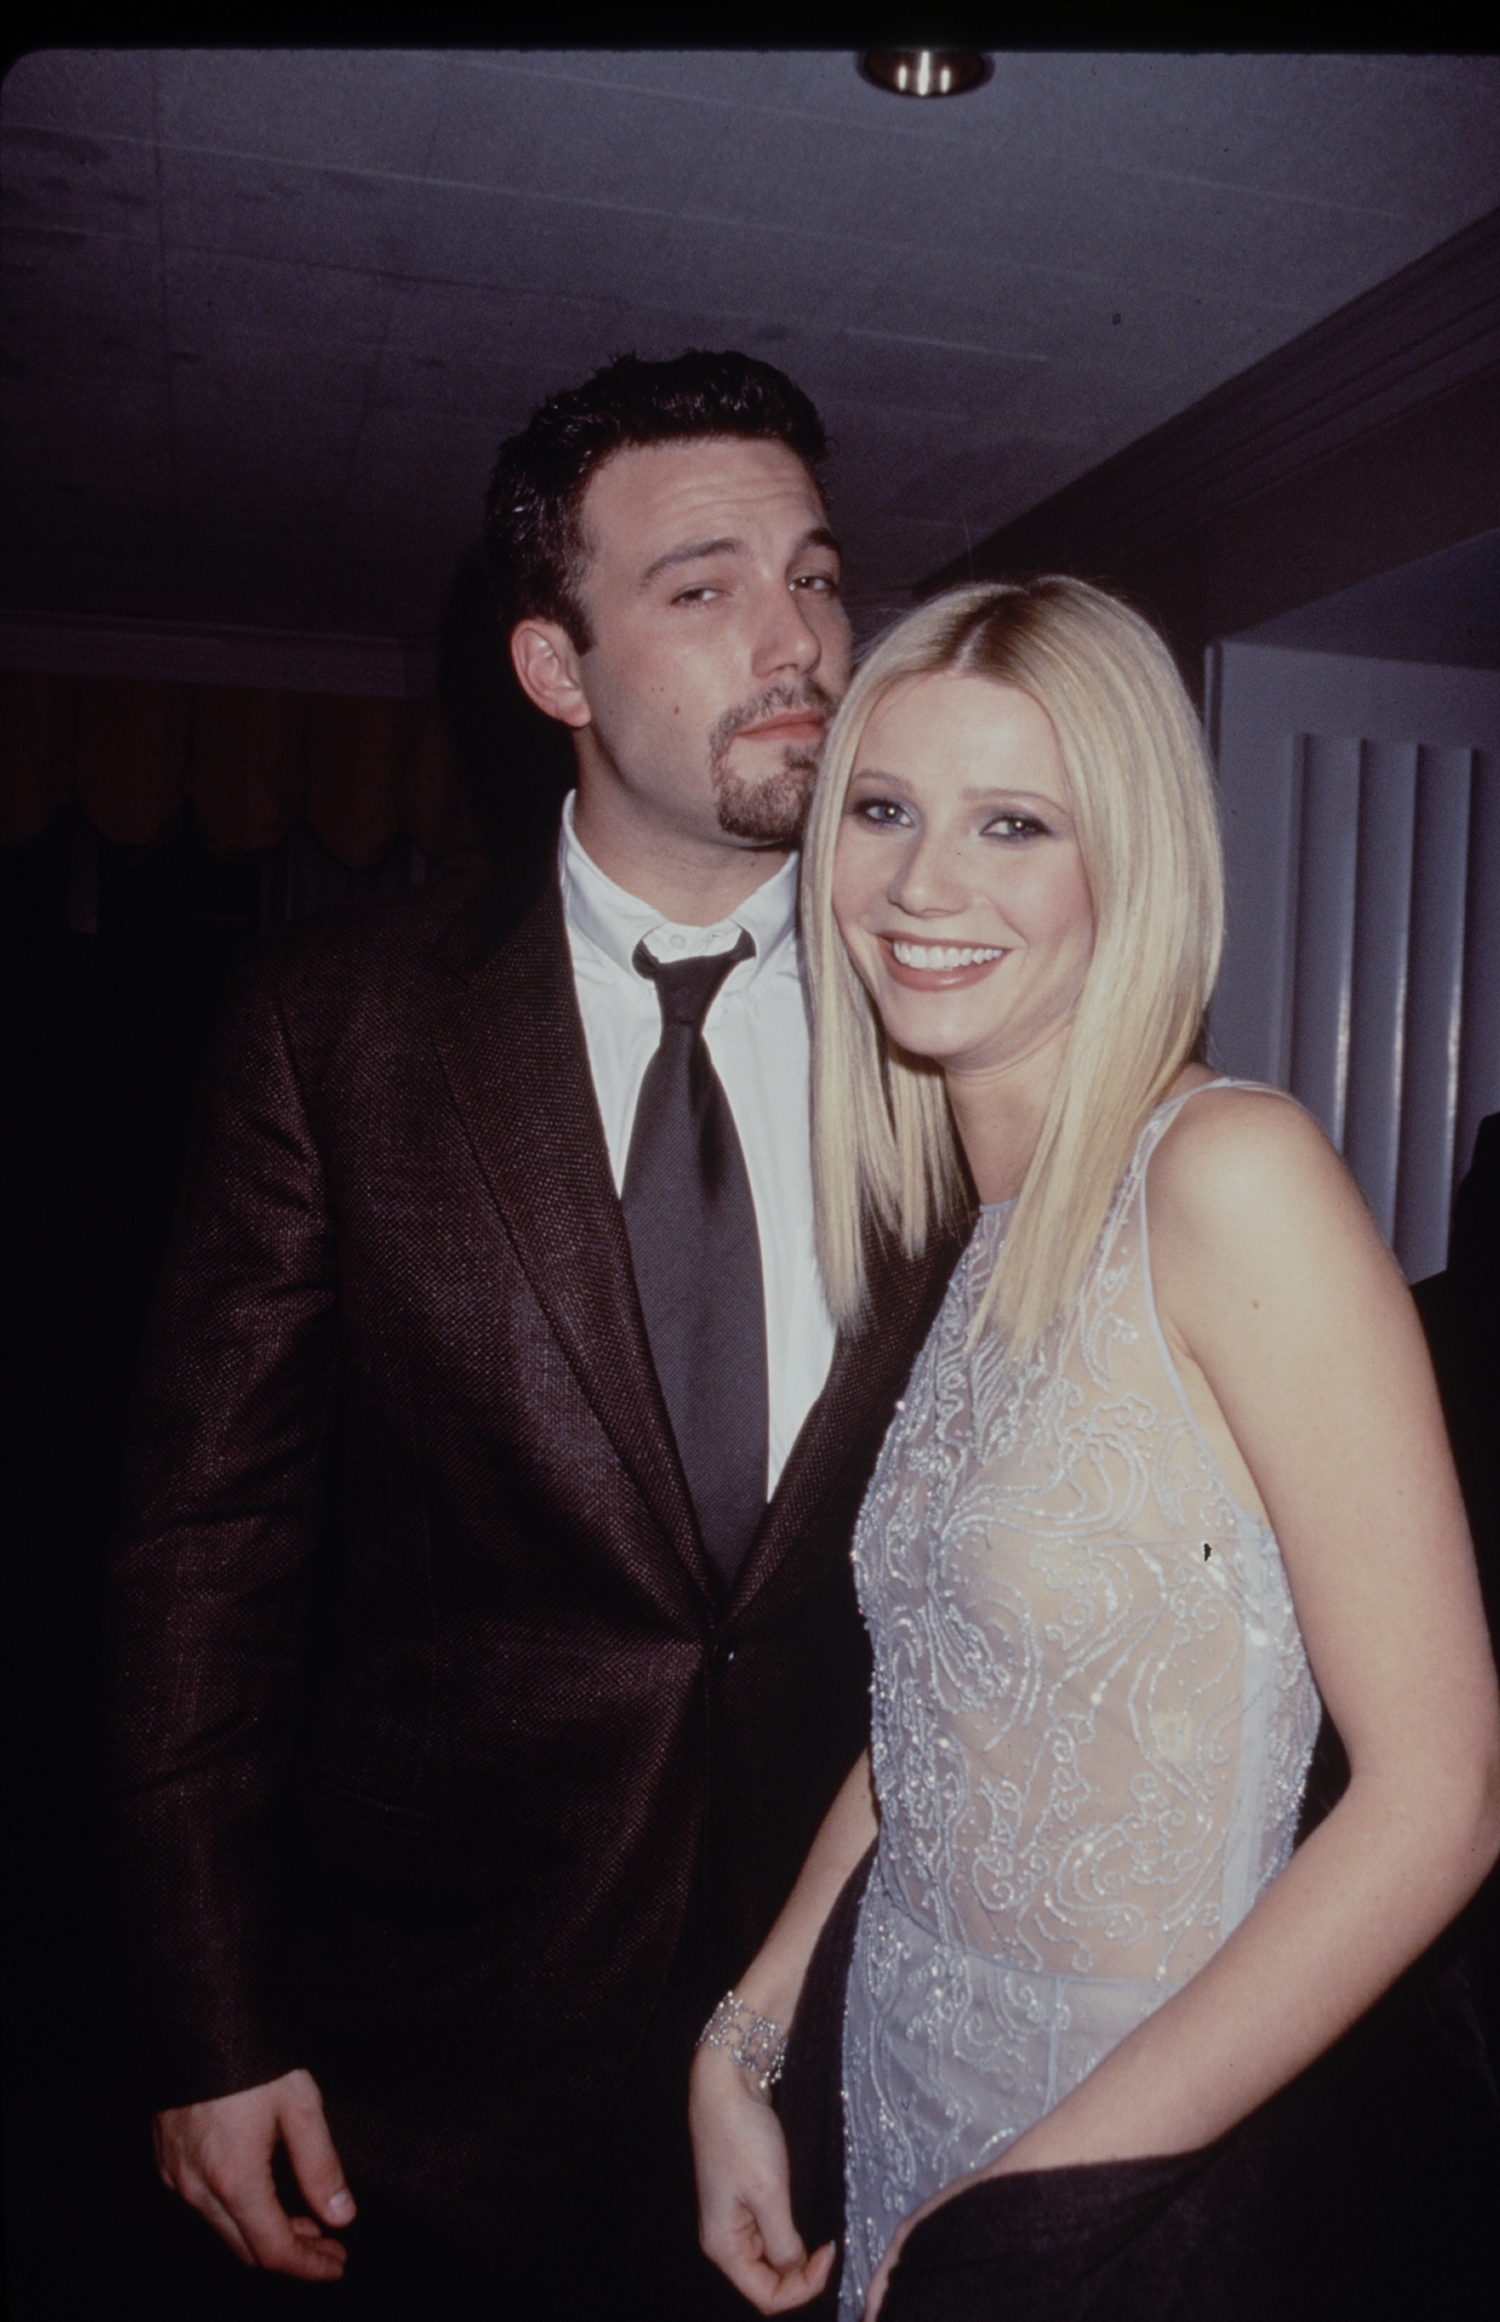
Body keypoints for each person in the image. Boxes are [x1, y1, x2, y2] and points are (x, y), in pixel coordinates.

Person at [107, 351, 964, 2320]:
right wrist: (204, 2019)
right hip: (436, 2032)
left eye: (819, 574)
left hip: (853, 2007)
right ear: (554, 671)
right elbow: (199, 1556)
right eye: (704, 586)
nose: (800, 638)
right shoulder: (333, 1024)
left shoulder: (954, 1007)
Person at [690, 577, 1500, 2320]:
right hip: (909, 2087)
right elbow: (941, 1710)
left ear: (1129, 867)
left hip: (1132, 2165)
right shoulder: (978, 1237)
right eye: (886, 811)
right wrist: (747, 2037)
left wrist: (1025, 2218)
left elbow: (1442, 1800)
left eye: (1015, 823)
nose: (924, 884)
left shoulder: (1232, 1178)